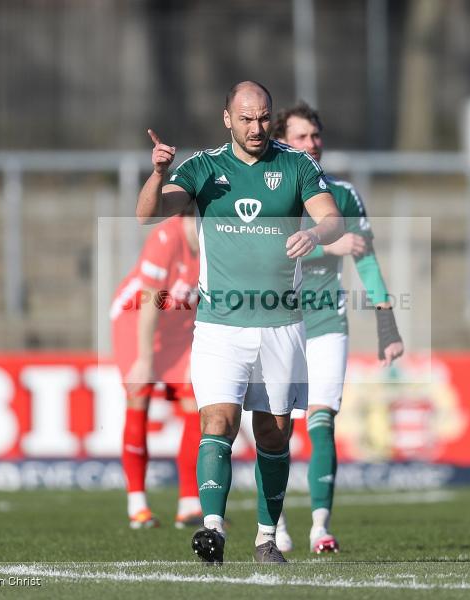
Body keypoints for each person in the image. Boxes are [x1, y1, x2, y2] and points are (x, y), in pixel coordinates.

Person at [136, 81, 344, 564]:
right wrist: (159, 172)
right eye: (246, 119)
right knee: (218, 420)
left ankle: (267, 537)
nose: (256, 128)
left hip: (281, 323)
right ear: (226, 118)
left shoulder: (295, 164)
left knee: (274, 432)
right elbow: (147, 214)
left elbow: (333, 219)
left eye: (263, 118)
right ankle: (211, 530)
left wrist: (313, 231)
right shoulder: (204, 168)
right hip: (219, 324)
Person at [272, 101, 404, 554]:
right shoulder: (270, 192)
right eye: (300, 137)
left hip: (327, 320)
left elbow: (365, 259)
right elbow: (264, 254)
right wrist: (329, 248)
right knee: (275, 429)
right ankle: (273, 524)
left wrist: (386, 325)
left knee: (322, 419)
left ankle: (320, 527)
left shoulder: (344, 195)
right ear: (281, 142)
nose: (311, 144)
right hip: (273, 322)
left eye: (315, 136)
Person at [110, 205, 202, 530]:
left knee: (197, 406)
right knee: (140, 396)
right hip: (136, 321)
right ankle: (137, 504)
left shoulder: (219, 242)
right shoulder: (166, 237)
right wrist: (145, 359)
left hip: (179, 329)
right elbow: (149, 300)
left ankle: (189, 504)